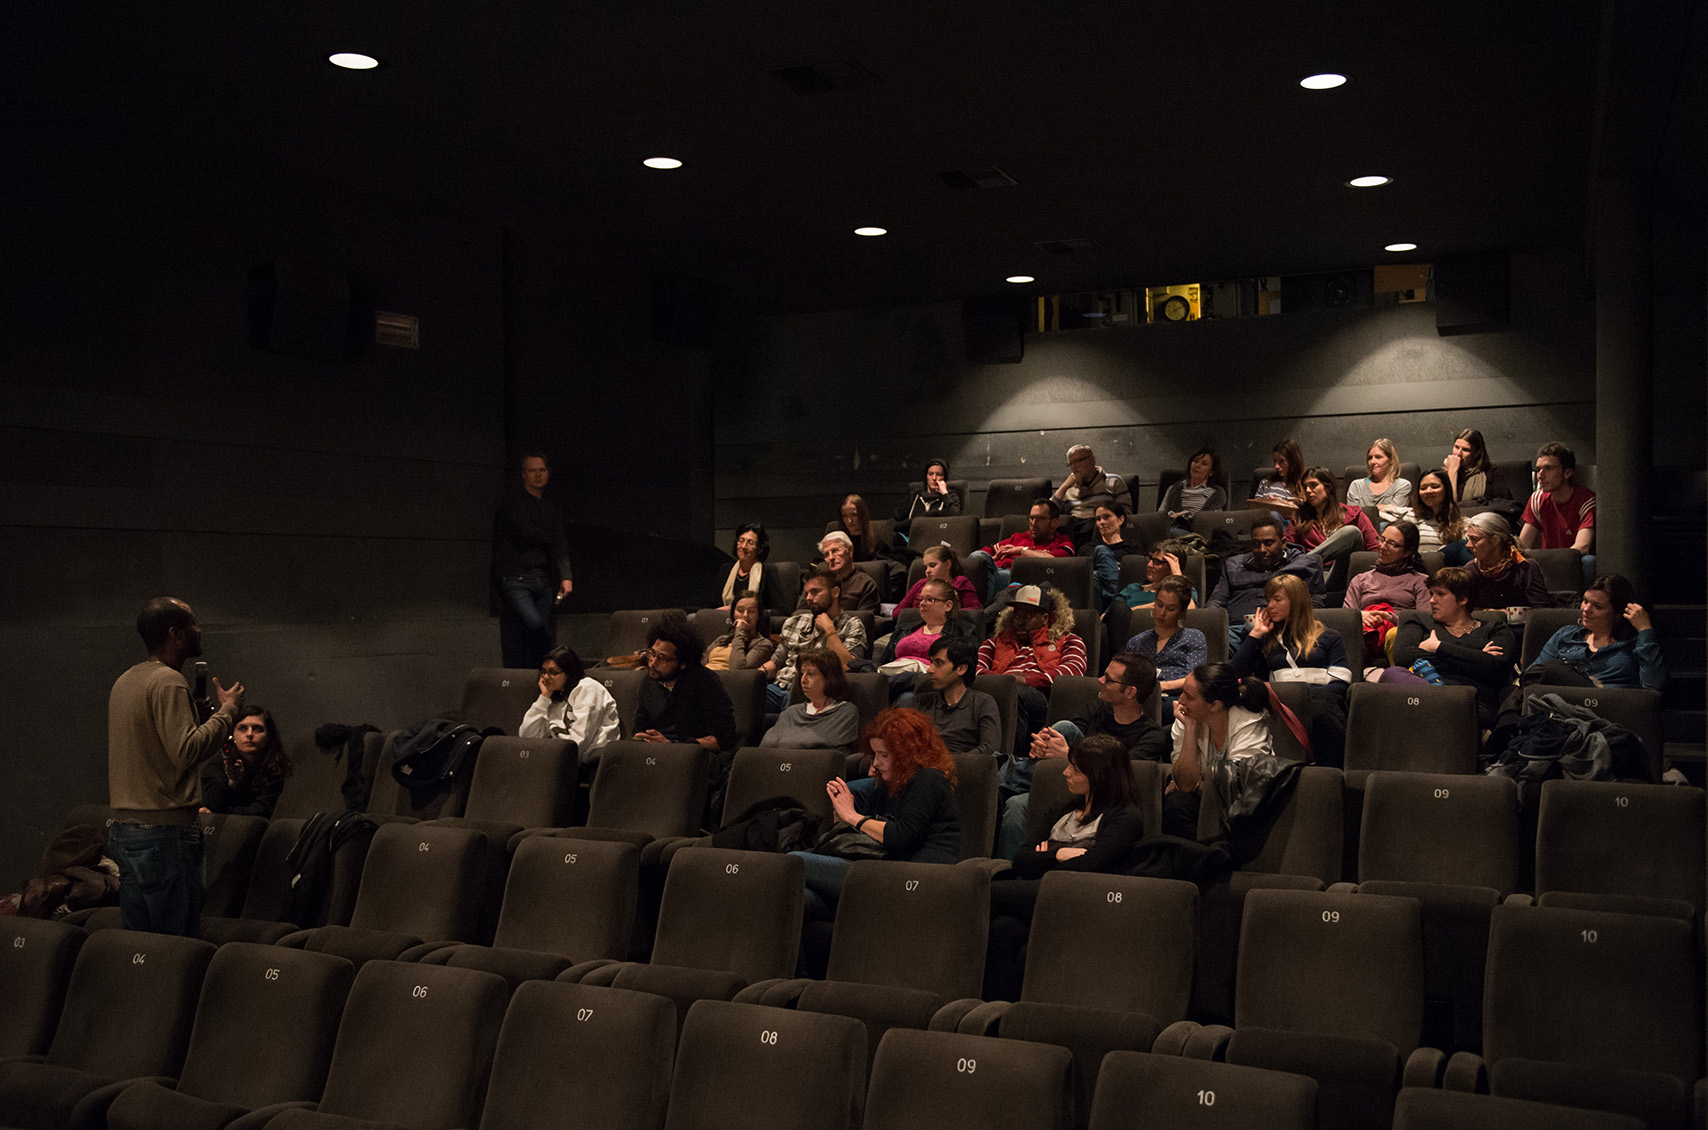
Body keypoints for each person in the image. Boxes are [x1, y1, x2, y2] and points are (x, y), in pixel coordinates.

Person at [108, 597, 244, 936]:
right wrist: (227, 713)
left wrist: (197, 720)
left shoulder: (125, 681)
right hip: (164, 835)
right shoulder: (169, 681)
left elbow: (158, 747)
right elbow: (185, 751)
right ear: (176, 634)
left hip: (127, 831)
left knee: (141, 949)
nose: (199, 630)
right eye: (193, 624)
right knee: (175, 949)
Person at [984, 733, 1146, 1001]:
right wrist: (1061, 855)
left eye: (1076, 768)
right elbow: (1022, 859)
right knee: (1002, 930)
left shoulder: (1125, 817)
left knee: (988, 892)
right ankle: (999, 1013)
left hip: (1084, 900)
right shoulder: (1062, 809)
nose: (1066, 772)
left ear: (1099, 776)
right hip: (1041, 895)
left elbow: (1091, 867)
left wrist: (1047, 855)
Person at [995, 650, 1169, 859]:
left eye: (1109, 679)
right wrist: (1043, 745)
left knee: (1015, 803)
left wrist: (1068, 756)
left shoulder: (1151, 735)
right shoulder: (1095, 709)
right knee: (1064, 729)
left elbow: (1118, 773)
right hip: (1063, 784)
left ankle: (1003, 772)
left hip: (1100, 798)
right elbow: (1060, 742)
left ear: (1130, 692)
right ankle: (1008, 874)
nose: (1100, 680)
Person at [795, 708, 960, 917]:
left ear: (908, 753)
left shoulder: (928, 780)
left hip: (915, 878)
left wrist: (852, 816)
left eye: (884, 755)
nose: (876, 763)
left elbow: (902, 836)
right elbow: (864, 843)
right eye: (874, 755)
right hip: (880, 868)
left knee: (793, 862)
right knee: (797, 897)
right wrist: (841, 817)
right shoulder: (884, 788)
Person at [1384, 566, 1518, 727]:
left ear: (1463, 599)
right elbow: (1403, 656)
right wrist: (1476, 657)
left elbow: (1496, 667)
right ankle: (1440, 695)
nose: (1432, 600)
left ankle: (1442, 698)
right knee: (1391, 673)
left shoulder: (1495, 629)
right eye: (1431, 593)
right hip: (1424, 695)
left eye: (1440, 594)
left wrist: (1437, 647)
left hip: (1474, 703)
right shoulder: (1417, 620)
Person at [977, 584, 1088, 778]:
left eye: (1028, 615)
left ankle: (1010, 762)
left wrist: (1025, 679)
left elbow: (1071, 672)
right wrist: (1007, 682)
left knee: (1017, 693)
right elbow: (976, 670)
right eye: (1017, 614)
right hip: (996, 694)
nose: (1019, 621)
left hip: (1042, 700)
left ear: (1045, 618)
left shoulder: (1068, 640)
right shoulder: (995, 642)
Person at [1164, 663, 1276, 839]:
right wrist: (1190, 730)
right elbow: (1185, 785)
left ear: (1214, 705)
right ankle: (1201, 859)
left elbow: (1236, 788)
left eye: (1189, 696)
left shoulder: (1249, 724)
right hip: (1210, 802)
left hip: (1245, 809)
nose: (1180, 701)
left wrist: (1199, 783)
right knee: (1177, 803)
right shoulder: (1188, 718)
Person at [493, 453, 574, 668]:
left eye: (542, 470)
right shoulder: (513, 504)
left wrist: (566, 576)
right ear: (523, 475)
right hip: (515, 578)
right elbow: (526, 532)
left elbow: (560, 543)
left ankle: (548, 672)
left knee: (545, 626)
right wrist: (548, 535)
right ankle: (558, 664)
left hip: (541, 577)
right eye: (532, 470)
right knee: (535, 625)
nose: (538, 475)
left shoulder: (550, 507)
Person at [1525, 574, 1666, 690]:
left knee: (1553, 669)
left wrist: (1644, 629)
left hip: (1609, 708)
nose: (1586, 609)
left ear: (1617, 613)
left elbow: (1652, 686)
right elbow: (1532, 676)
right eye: (1585, 601)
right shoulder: (1567, 635)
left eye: (1597, 606)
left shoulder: (1632, 644)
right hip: (1561, 708)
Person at [760, 567, 869, 711]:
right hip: (778, 688)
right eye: (807, 593)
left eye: (815, 592)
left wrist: (830, 632)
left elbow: (848, 666)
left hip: (812, 694)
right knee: (740, 696)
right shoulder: (795, 622)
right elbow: (776, 662)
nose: (808, 598)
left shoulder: (852, 625)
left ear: (835, 592)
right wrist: (752, 678)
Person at [1207, 517, 1326, 647]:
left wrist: (1298, 624)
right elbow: (1218, 599)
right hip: (1237, 630)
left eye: (1268, 543)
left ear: (1283, 542)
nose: (1262, 549)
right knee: (1210, 641)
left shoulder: (1303, 565)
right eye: (1256, 544)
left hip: (1285, 628)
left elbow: (1315, 599)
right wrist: (1210, 622)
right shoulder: (1234, 565)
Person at [1232, 574, 1354, 694]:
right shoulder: (1267, 640)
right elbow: (1233, 676)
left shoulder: (1330, 637)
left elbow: (1340, 684)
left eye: (1277, 600)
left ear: (1296, 601)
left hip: (1322, 703)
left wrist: (1301, 697)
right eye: (1268, 600)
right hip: (1280, 706)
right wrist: (1255, 634)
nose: (1270, 606)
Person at [632, 619, 737, 752]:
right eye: (651, 654)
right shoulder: (648, 682)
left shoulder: (706, 682)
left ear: (683, 663)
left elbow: (724, 739)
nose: (652, 662)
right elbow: (639, 730)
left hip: (695, 756)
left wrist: (672, 746)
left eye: (662, 658)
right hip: (656, 754)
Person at [1343, 520, 1431, 662]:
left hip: (1400, 638)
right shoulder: (1361, 579)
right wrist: (1361, 616)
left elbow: (1425, 619)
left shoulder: (1420, 581)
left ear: (1407, 552)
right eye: (1382, 539)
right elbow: (1345, 616)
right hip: (1364, 635)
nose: (1382, 546)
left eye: (1391, 544)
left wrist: (1392, 618)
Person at [911, 635, 1003, 759]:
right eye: (931, 662)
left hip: (961, 770)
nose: (930, 670)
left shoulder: (982, 703)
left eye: (938, 663)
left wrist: (951, 763)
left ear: (961, 668)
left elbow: (989, 748)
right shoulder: (922, 701)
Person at [878, 579, 978, 693]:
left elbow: (966, 670)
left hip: (928, 685)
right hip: (893, 674)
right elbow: (883, 662)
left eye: (930, 600)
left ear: (948, 605)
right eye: (921, 599)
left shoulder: (963, 632)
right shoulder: (904, 629)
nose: (922, 603)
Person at [966, 498, 1075, 602]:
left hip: (1019, 580)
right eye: (1031, 518)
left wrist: (1021, 550)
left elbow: (1056, 561)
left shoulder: (1063, 542)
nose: (1033, 523)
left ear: (1054, 522)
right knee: (978, 557)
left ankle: (978, 607)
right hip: (995, 572)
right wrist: (993, 559)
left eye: (1040, 518)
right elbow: (982, 556)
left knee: (988, 577)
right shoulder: (1018, 538)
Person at [521, 644, 621, 754]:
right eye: (544, 671)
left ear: (568, 672)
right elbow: (527, 737)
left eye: (552, 672)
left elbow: (580, 742)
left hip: (594, 764)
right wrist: (543, 698)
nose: (545, 677)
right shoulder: (554, 698)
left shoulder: (587, 689)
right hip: (564, 760)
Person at [199, 705, 291, 818]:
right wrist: (232, 783)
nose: (249, 734)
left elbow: (262, 811)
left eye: (257, 729)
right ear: (233, 734)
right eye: (243, 728)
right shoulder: (219, 764)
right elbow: (209, 804)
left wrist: (219, 814)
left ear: (268, 735)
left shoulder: (275, 768)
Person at [1128, 576, 1206, 707]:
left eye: (1170, 609)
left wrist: (1162, 686)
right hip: (1141, 699)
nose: (1162, 613)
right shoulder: (1137, 642)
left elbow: (1195, 678)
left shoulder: (1193, 637)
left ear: (1181, 612)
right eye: (1159, 604)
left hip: (1177, 700)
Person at [761, 649, 861, 751]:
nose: (803, 680)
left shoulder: (845, 712)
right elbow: (766, 746)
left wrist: (789, 744)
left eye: (810, 674)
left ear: (829, 678)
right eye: (802, 673)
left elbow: (828, 749)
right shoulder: (791, 713)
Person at [1287, 465, 1379, 577]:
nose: (1308, 490)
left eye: (1313, 485)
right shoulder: (1300, 518)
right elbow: (1288, 548)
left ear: (1328, 487)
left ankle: (1298, 566)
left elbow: (1374, 550)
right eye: (1305, 486)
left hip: (1344, 574)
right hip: (1314, 575)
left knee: (1352, 532)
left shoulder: (1353, 514)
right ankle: (1299, 566)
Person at [1519, 443, 1595, 575]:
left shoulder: (1586, 500)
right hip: (1547, 561)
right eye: (1538, 469)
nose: (1540, 475)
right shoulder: (1538, 499)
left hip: (1571, 562)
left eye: (1548, 468)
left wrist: (1555, 563)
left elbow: (1582, 547)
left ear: (1567, 473)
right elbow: (1523, 545)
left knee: (1589, 561)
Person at [1464, 512, 1550, 609]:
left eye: (1474, 539)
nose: (1468, 545)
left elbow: (1541, 610)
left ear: (1495, 540)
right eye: (1468, 539)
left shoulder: (1524, 567)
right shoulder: (1470, 570)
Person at [1052, 444, 1126, 546]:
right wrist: (1063, 487)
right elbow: (1046, 513)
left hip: (1100, 529)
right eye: (1071, 463)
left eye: (1078, 461)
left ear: (1092, 460)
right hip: (1074, 530)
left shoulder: (1113, 482)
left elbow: (1126, 514)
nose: (1074, 466)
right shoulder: (1068, 488)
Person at [1088, 500, 1144, 611]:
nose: (1102, 522)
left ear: (1121, 520)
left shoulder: (1134, 546)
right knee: (1099, 557)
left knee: (1097, 574)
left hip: (1127, 587)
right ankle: (1117, 604)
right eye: (1098, 519)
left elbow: (1139, 573)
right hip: (1099, 597)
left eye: (1106, 517)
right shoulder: (1088, 548)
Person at [1111, 539, 1198, 609]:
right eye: (1150, 559)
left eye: (1157, 562)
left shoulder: (1185, 591)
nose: (1149, 565)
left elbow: (1190, 611)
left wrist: (1178, 576)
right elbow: (1108, 616)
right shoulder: (1133, 589)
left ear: (1172, 567)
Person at [896, 543, 982, 612]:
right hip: (917, 627)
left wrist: (941, 613)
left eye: (932, 565)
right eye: (926, 567)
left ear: (947, 564)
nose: (928, 571)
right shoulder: (921, 583)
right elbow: (898, 611)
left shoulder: (960, 582)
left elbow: (974, 610)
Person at [1346, 438, 1414, 523]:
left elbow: (1395, 516)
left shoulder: (1402, 485)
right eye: (1370, 458)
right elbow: (1352, 516)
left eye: (1378, 457)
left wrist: (1366, 510)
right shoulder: (1356, 485)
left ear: (1391, 460)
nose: (1372, 461)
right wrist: (1382, 508)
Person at [1159, 447, 1228, 530]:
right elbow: (1160, 516)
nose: (1197, 465)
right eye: (1195, 461)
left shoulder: (1216, 493)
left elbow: (1210, 521)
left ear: (1211, 472)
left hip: (1196, 534)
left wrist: (1181, 516)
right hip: (1169, 531)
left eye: (1204, 464)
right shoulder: (1174, 488)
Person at [1442, 427, 1512, 508]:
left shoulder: (1491, 471)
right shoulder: (1443, 474)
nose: (1458, 453)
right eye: (1456, 447)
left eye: (1465, 450)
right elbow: (1447, 507)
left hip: (1482, 517)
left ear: (1477, 453)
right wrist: (1452, 471)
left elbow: (1504, 503)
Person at [705, 593, 776, 672]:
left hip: (724, 681)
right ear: (733, 614)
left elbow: (738, 671)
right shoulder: (722, 639)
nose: (745, 615)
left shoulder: (763, 644)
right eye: (740, 610)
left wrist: (739, 631)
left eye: (751, 611)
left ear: (758, 616)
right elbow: (699, 663)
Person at [718, 523, 780, 611]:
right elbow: (713, 604)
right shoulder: (726, 569)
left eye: (750, 543)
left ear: (760, 549)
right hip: (724, 620)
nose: (743, 546)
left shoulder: (768, 572)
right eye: (741, 540)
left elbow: (780, 610)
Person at [817, 530, 880, 613]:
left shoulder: (866, 585)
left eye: (835, 550)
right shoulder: (817, 582)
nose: (831, 557)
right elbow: (799, 612)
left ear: (850, 550)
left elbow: (866, 619)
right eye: (826, 554)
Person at [1413, 469, 1469, 562]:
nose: (1428, 491)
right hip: (1420, 564)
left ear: (1446, 489)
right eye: (1423, 488)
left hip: (1447, 568)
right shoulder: (1411, 517)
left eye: (1435, 486)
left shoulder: (1461, 522)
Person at [894, 458, 962, 524]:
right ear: (926, 476)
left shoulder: (950, 497)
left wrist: (944, 494)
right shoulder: (914, 496)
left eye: (939, 474)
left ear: (944, 478)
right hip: (913, 534)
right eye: (931, 474)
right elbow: (895, 519)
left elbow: (956, 521)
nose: (934, 478)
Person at [1252, 438, 1306, 519]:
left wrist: (1283, 505)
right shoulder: (1266, 482)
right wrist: (1267, 503)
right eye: (1275, 461)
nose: (1276, 466)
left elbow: (1309, 515)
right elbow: (1254, 510)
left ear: (1293, 462)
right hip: (1267, 525)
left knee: (1275, 515)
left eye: (1281, 461)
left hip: (1292, 526)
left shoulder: (1304, 485)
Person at [835, 494, 892, 562]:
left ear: (863, 515)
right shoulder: (837, 539)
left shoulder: (877, 539)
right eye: (844, 516)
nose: (849, 521)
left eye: (854, 515)